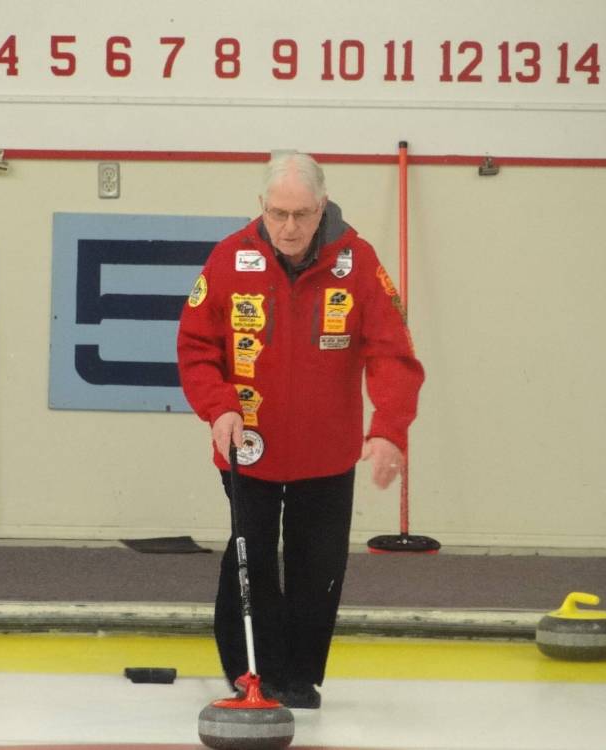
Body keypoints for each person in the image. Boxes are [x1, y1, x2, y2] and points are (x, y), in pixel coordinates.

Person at [177, 151, 424, 709]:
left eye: (301, 215)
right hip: (249, 444)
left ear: (323, 207)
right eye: (277, 213)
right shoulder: (227, 259)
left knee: (319, 563)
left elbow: (393, 354)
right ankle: (250, 672)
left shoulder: (357, 262)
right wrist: (218, 408)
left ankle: (299, 675)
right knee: (252, 552)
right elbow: (195, 348)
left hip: (328, 451)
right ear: (262, 207)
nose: (288, 228)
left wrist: (389, 430)